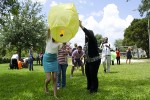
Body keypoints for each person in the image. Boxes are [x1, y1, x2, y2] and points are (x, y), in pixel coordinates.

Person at [80, 21, 101, 93]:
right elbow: (86, 51)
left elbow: (88, 34)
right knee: (88, 73)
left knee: (93, 74)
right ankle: (89, 86)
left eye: (87, 34)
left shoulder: (93, 39)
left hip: (95, 60)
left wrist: (81, 26)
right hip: (89, 61)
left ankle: (94, 89)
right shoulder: (87, 43)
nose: (86, 35)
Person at [43, 29, 62, 99]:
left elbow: (62, 35)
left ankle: (55, 95)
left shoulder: (59, 43)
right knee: (48, 79)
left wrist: (62, 29)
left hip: (54, 59)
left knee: (54, 78)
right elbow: (48, 31)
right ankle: (46, 86)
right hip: (47, 59)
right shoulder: (49, 39)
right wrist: (50, 27)